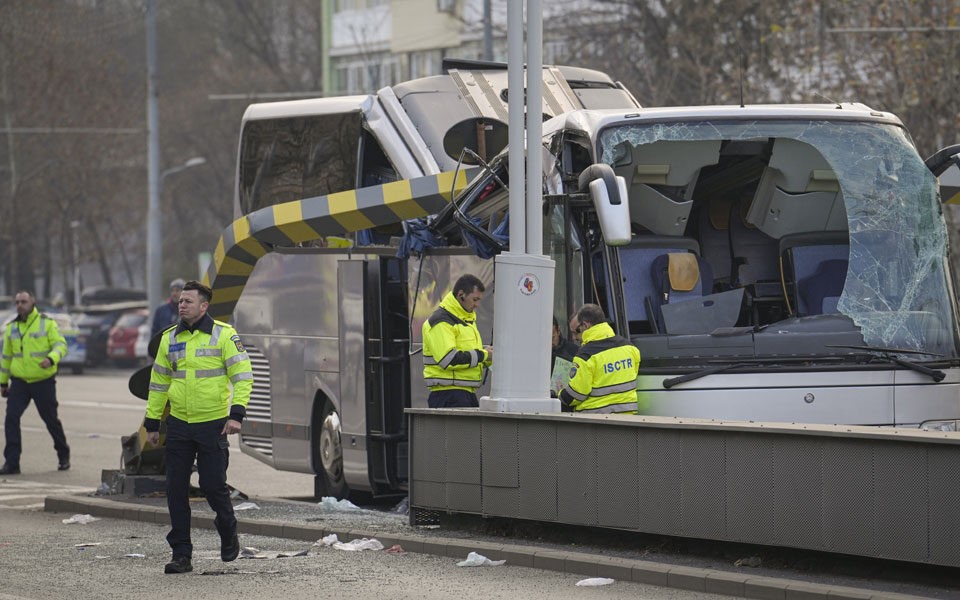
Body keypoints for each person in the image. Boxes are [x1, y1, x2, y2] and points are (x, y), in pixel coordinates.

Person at [142, 280, 253, 574]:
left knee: (213, 487)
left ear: (204, 306)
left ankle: (227, 527)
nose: (181, 305)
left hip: (213, 425)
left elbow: (243, 376)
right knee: (175, 489)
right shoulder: (169, 338)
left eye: (188, 301)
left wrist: (236, 415)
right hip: (179, 424)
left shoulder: (224, 335)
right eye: (180, 301)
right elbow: (158, 382)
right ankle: (181, 554)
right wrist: (152, 422)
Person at [0, 291, 71, 475]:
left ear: (33, 302)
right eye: (17, 302)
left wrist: (51, 358)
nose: (19, 305)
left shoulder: (46, 323)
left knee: (50, 420)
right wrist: (3, 383)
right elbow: (6, 358)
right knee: (11, 418)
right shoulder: (11, 327)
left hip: (43, 382)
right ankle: (12, 463)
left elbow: (61, 345)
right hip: (20, 382)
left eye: (23, 301)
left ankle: (63, 454)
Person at [421, 274, 493, 408]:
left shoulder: (465, 319)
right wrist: (483, 354)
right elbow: (448, 359)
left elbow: (467, 357)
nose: (477, 305)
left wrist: (487, 357)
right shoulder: (441, 321)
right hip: (449, 394)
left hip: (462, 393)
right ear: (461, 295)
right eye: (475, 299)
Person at [559, 303, 640, 414]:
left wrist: (559, 394)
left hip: (596, 419)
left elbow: (576, 394)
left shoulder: (585, 356)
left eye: (576, 332)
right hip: (627, 418)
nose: (574, 338)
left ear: (585, 325)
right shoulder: (630, 348)